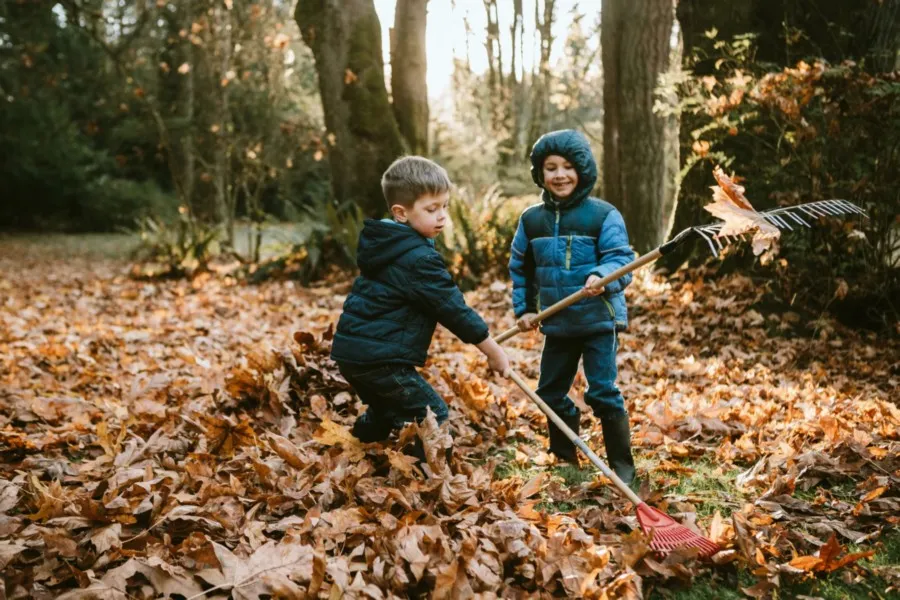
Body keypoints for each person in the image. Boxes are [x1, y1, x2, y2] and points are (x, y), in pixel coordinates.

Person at [331, 156, 510, 460]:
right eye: (431, 209)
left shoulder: (386, 245)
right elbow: (453, 309)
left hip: (353, 355)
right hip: (381, 361)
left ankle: (352, 450)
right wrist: (493, 351)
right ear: (401, 213)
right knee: (433, 415)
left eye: (445, 207)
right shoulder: (417, 259)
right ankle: (425, 480)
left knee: (385, 409)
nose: (442, 217)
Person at [509, 129, 638, 485]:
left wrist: (602, 277)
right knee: (549, 393)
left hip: (598, 320)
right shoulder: (531, 220)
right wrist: (524, 310)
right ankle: (565, 457)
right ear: (540, 173)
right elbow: (521, 268)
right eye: (550, 168)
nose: (560, 174)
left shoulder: (602, 215)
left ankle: (623, 468)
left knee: (602, 392)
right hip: (557, 321)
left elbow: (620, 261)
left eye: (568, 166)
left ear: (582, 170)